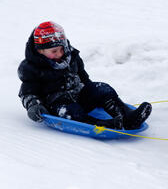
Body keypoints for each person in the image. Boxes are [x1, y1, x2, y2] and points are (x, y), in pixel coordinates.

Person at [18, 21, 152, 130]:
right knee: (70, 111)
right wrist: (34, 106)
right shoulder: (32, 68)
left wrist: (96, 93)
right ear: (40, 50)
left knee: (102, 88)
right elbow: (27, 93)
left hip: (79, 95)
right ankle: (101, 125)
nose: (59, 54)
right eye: (54, 51)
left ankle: (127, 117)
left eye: (61, 49)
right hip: (57, 106)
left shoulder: (71, 57)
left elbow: (84, 78)